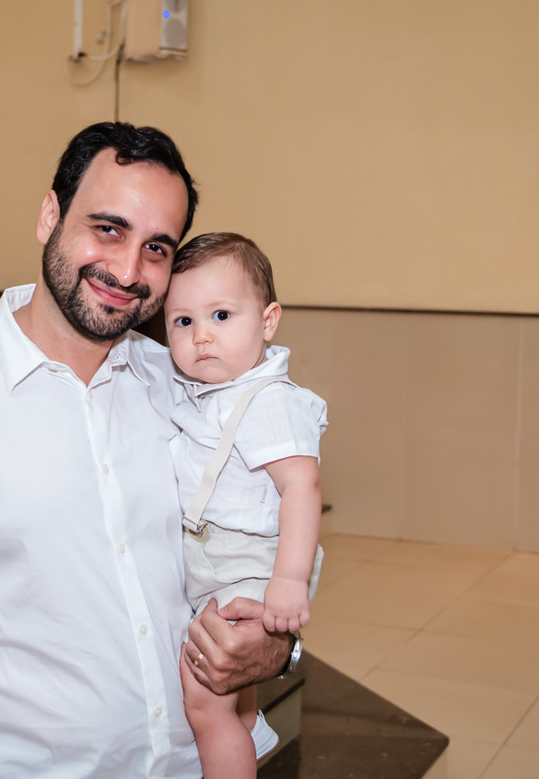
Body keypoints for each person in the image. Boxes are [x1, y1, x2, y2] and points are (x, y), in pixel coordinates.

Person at [0, 123, 293, 779]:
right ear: (50, 215)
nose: (129, 270)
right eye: (108, 228)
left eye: (157, 247)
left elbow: (258, 537)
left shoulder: (184, 391)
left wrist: (277, 647)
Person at [163, 233, 327, 779]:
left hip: (246, 565)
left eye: (221, 315)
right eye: (182, 322)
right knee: (232, 694)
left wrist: (289, 582)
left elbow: (301, 488)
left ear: (268, 320)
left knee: (203, 694)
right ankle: (244, 739)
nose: (201, 335)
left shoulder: (268, 401)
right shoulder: (209, 392)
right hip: (214, 561)